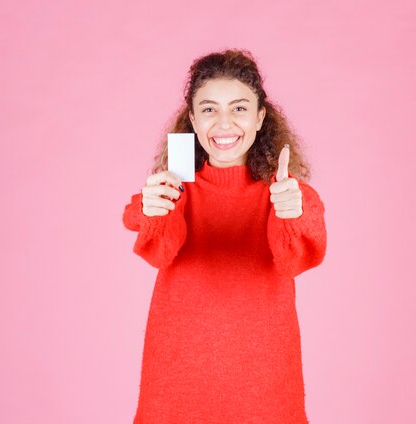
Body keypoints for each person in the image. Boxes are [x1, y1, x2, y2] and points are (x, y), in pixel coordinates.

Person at [122, 48, 327, 423]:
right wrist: (153, 209)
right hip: (178, 374)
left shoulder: (286, 193)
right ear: (194, 121)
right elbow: (158, 251)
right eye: (209, 109)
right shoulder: (173, 186)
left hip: (264, 379)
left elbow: (295, 259)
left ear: (260, 117)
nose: (224, 123)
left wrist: (291, 212)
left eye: (238, 108)